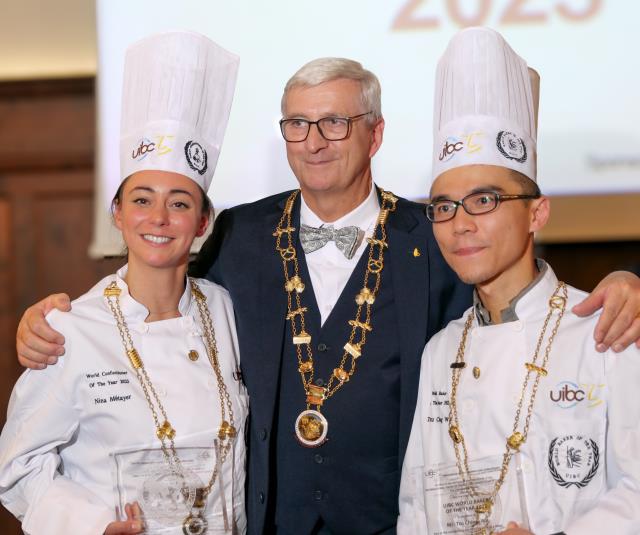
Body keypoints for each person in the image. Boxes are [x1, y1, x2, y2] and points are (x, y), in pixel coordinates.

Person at [13, 57, 640, 535]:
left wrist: (622, 284)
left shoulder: (435, 234)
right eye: (297, 124)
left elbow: (515, 297)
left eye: (335, 122)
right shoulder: (241, 233)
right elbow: (153, 285)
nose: (313, 141)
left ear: (375, 133)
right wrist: (50, 319)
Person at [0, 31, 247, 535]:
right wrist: (90, 526)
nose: (158, 216)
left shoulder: (228, 310)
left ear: (203, 221)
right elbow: (15, 468)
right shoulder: (70, 329)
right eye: (141, 199)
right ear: (116, 212)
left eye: (179, 202)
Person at [398, 27, 640, 535]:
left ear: (537, 214)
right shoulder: (441, 351)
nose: (461, 223)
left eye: (484, 200)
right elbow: (417, 506)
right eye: (444, 206)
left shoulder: (607, 330)